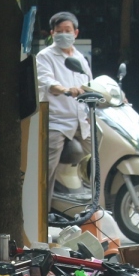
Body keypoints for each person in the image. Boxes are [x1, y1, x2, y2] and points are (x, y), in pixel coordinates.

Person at [36, 11, 94, 197]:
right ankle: (42, 213)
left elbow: (91, 84)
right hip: (57, 122)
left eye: (67, 30)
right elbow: (47, 83)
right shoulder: (45, 56)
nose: (63, 34)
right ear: (52, 33)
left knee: (97, 163)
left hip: (81, 121)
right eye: (59, 31)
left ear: (75, 33)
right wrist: (66, 89)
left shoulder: (80, 58)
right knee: (47, 170)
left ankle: (94, 204)